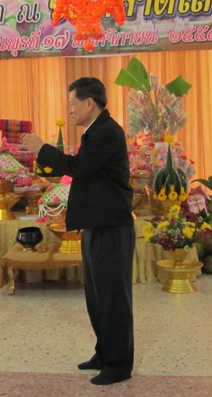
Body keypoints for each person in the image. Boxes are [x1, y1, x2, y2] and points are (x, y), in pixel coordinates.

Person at [22, 77, 135, 386]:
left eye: (72, 103)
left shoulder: (107, 132)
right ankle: (104, 352)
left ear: (89, 103)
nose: (70, 110)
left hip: (111, 227)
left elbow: (78, 168)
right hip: (97, 224)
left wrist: (41, 148)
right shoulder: (95, 131)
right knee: (97, 296)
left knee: (112, 298)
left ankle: (118, 365)